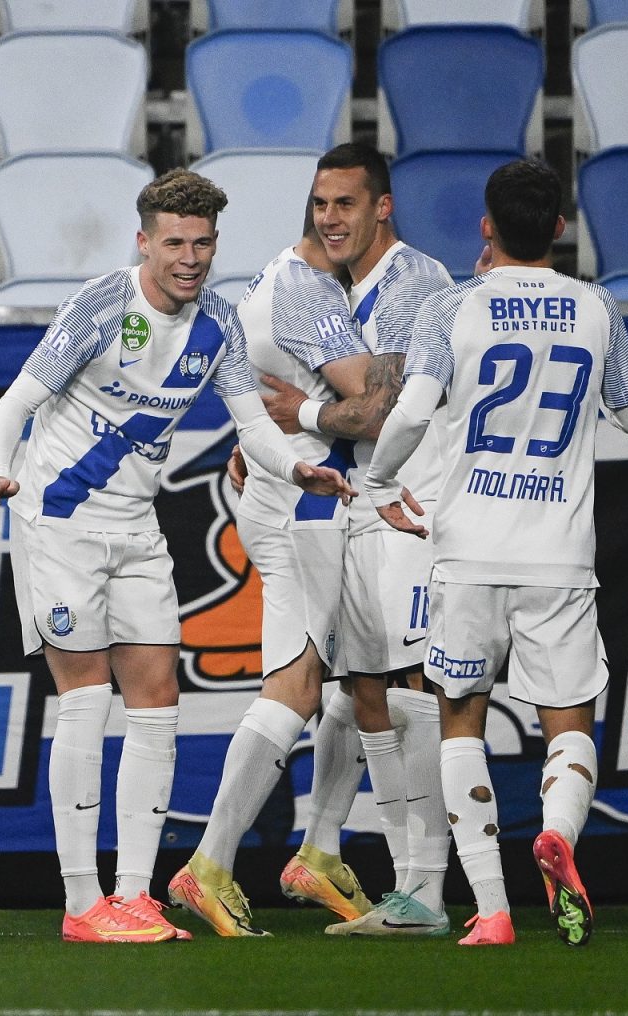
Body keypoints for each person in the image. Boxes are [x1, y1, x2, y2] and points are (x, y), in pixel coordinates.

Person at [0, 169, 354, 943]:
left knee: (156, 704)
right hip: (62, 524)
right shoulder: (102, 304)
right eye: (174, 242)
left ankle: (135, 896)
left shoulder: (219, 321)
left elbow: (253, 426)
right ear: (143, 241)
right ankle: (83, 905)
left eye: (202, 243)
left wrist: (295, 469)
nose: (190, 258)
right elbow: (18, 401)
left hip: (138, 531)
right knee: (85, 701)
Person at [361, 157, 628, 947]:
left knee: (461, 721)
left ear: (486, 228)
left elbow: (411, 413)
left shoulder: (452, 307)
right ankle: (557, 831)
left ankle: (491, 910)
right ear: (560, 227)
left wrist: (379, 481)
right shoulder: (597, 306)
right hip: (559, 554)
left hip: (468, 552)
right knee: (570, 724)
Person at [256, 143, 454, 936]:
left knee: (416, 687)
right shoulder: (336, 288)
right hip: (364, 508)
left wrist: (299, 417)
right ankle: (407, 886)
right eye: (320, 203)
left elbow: (382, 411)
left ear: (383, 207)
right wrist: (276, 444)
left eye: (346, 203)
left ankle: (429, 885)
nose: (329, 218)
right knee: (365, 688)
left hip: (414, 503)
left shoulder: (413, 285)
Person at [201, 205, 377, 932]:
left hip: (305, 494)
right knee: (298, 683)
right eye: (330, 207)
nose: (339, 222)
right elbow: (379, 405)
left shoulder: (278, 279)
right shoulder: (305, 288)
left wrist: (266, 437)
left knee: (364, 672)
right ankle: (209, 864)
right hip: (304, 505)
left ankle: (322, 849)